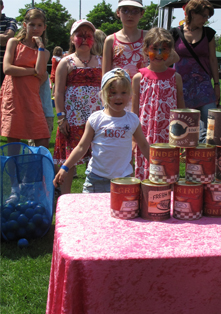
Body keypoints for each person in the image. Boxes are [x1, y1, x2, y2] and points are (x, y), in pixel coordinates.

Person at [53, 68, 149, 193]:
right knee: (92, 212)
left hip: (123, 180)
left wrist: (158, 165)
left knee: (123, 212)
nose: (118, 97)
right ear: (103, 93)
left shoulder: (132, 120)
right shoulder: (96, 119)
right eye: (113, 93)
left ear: (130, 94)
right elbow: (81, 147)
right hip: (96, 180)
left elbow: (143, 145)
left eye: (123, 92)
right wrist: (65, 167)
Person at [53, 19, 103, 194]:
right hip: (73, 120)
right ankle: (65, 200)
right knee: (70, 160)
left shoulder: (102, 61)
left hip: (97, 119)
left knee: (98, 159)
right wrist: (61, 117)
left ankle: (97, 197)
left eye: (88, 36)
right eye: (79, 35)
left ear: (93, 39)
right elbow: (58, 92)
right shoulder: (66, 63)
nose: (84, 39)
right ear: (72, 38)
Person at [132, 27, 185, 181]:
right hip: (145, 134)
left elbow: (181, 107)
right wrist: (134, 139)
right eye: (154, 49)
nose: (159, 54)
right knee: (146, 173)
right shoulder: (138, 77)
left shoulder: (175, 77)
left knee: (167, 171)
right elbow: (134, 109)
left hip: (169, 134)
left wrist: (182, 137)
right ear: (145, 50)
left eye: (164, 50)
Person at [0, 8, 50, 147]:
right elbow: (7, 69)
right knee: (14, 139)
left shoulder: (44, 52)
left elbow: (40, 72)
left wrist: (40, 46)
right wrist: (31, 71)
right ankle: (13, 168)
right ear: (24, 25)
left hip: (32, 97)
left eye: (39, 25)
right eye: (32, 24)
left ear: (44, 27)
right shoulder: (14, 43)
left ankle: (36, 168)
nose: (36, 28)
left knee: (43, 138)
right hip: (14, 95)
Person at [170, 0, 220, 138]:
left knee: (211, 128)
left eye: (207, 16)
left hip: (204, 87)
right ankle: (187, 156)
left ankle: (207, 157)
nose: (206, 19)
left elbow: (212, 60)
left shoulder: (208, 33)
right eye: (203, 16)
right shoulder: (174, 33)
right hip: (181, 88)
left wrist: (217, 84)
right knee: (183, 128)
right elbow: (167, 59)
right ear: (192, 13)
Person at [102, 0, 148, 80]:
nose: (130, 15)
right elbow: (106, 75)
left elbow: (173, 57)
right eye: (125, 10)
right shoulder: (110, 40)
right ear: (118, 12)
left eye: (135, 11)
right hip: (120, 90)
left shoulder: (149, 36)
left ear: (142, 13)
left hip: (144, 89)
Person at [0, 0, 17, 85]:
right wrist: (2, 37)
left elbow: (8, 37)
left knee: (6, 95)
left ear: (2, 7)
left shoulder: (10, 21)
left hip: (5, 65)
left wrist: (6, 38)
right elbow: (4, 39)